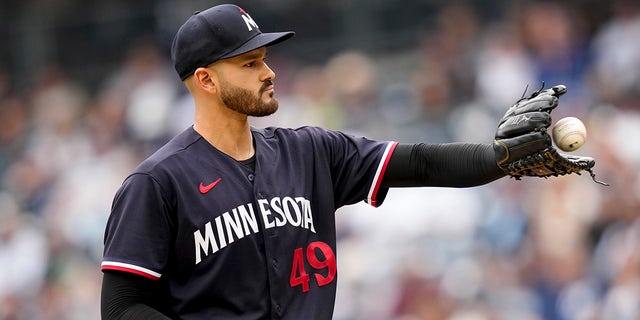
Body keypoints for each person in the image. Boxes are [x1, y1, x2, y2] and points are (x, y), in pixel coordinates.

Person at [100, 4, 574, 319]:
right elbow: (122, 309)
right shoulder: (157, 182)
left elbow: (422, 162)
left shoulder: (309, 151)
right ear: (204, 80)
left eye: (264, 58)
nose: (268, 73)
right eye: (249, 64)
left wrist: (499, 157)